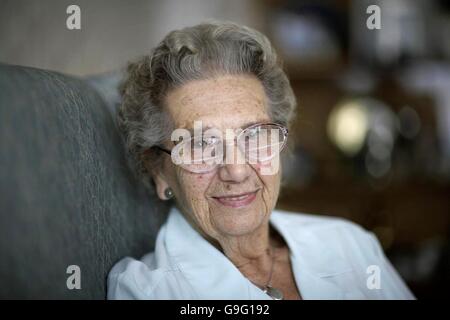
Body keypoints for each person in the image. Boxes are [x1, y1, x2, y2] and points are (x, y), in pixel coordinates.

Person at [107, 21, 414, 300]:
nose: (237, 170)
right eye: (201, 144)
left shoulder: (350, 245)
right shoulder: (146, 292)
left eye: (254, 136)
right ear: (159, 171)